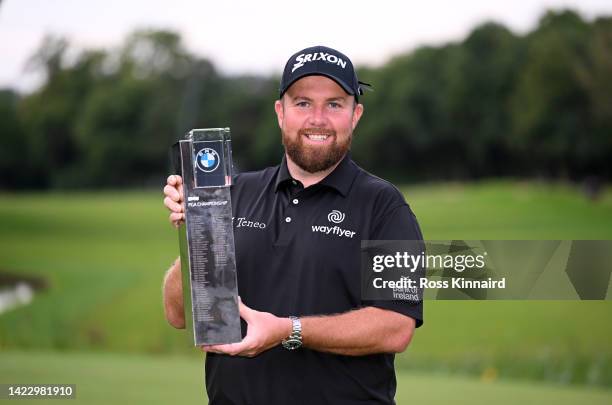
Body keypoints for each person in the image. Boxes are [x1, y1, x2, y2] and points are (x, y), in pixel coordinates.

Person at [162, 45, 424, 404]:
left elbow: (396, 327)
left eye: (334, 104)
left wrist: (290, 330)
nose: (318, 118)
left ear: (355, 114)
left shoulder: (385, 206)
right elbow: (179, 314)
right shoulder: (234, 193)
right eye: (302, 103)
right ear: (280, 113)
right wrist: (196, 232)